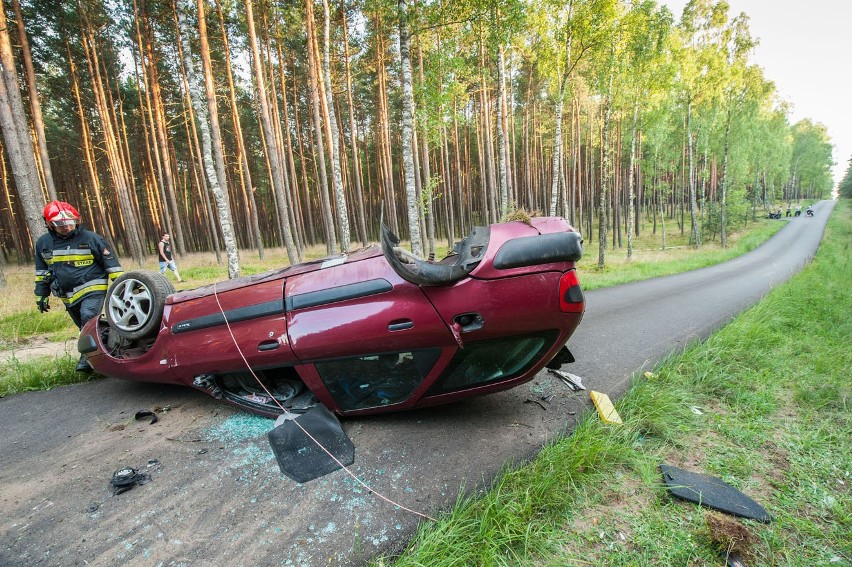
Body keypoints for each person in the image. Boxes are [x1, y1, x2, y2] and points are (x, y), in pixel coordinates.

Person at [34, 201, 123, 372]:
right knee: (85, 326)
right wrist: (41, 294)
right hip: (66, 294)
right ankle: (109, 352)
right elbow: (41, 271)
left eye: (70, 222)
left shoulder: (92, 238)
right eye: (60, 224)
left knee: (88, 316)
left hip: (92, 286)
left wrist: (122, 287)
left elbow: (112, 265)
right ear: (49, 224)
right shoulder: (43, 243)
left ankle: (87, 359)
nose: (67, 227)